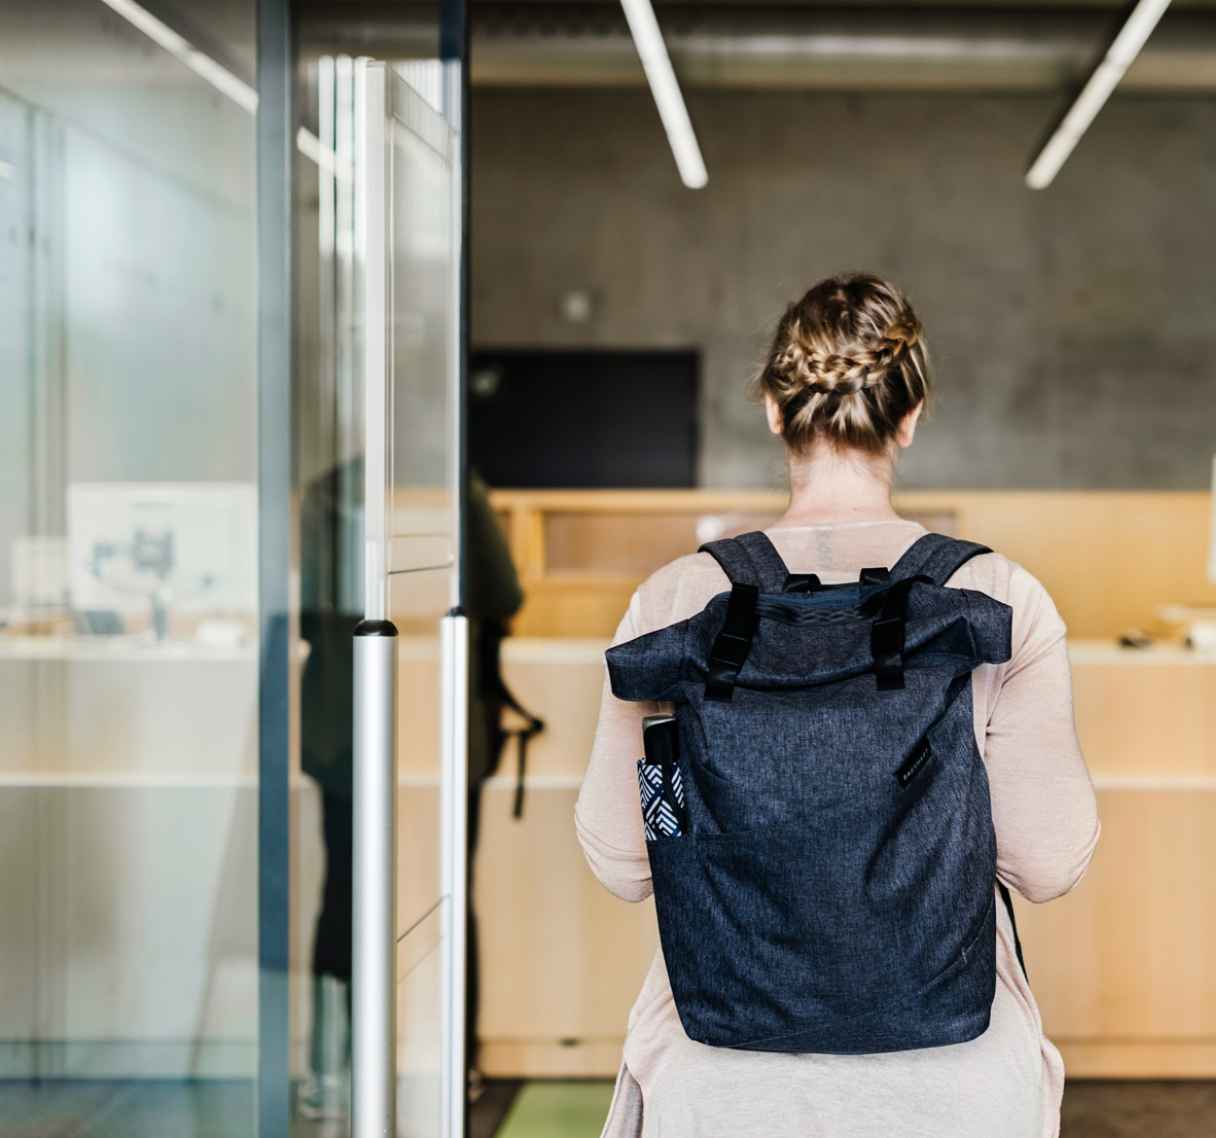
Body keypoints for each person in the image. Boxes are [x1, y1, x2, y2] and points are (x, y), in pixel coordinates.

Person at [576, 273, 1100, 1137]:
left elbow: (627, 861)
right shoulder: (997, 598)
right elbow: (1048, 863)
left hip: (722, 1079)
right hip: (950, 1080)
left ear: (776, 413)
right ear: (910, 416)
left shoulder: (675, 602)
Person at [298, 462, 523, 1120]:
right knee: (452, 889)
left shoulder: (327, 491)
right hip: (448, 727)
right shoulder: (456, 483)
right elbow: (504, 598)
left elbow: (310, 612)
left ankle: (331, 1067)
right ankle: (458, 1061)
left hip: (345, 731)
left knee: (343, 891)